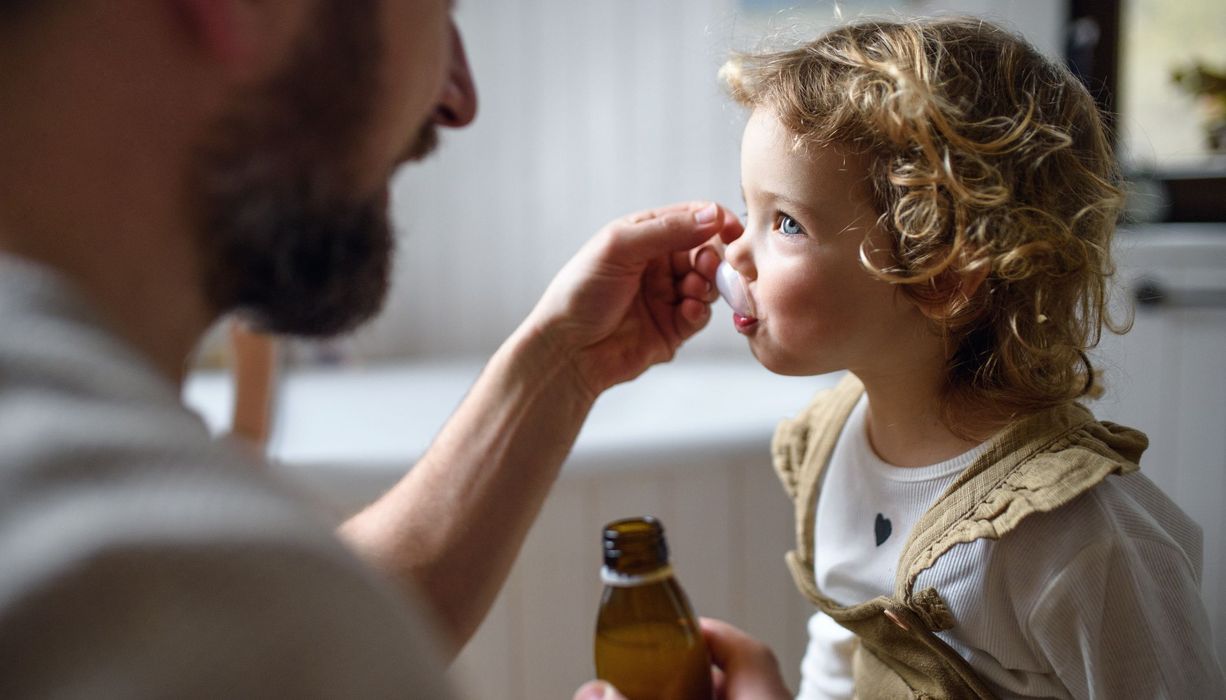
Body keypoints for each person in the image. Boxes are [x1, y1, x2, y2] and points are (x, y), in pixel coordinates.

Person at [0, 1, 792, 696]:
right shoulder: (142, 586)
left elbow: (297, 625)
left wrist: (564, 361)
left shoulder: (157, 600)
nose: (460, 98)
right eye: (437, 10)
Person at [716, 16, 1225, 699]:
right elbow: (844, 653)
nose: (733, 255)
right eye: (748, 209)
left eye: (784, 223)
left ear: (941, 278)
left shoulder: (1078, 541)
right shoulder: (833, 443)